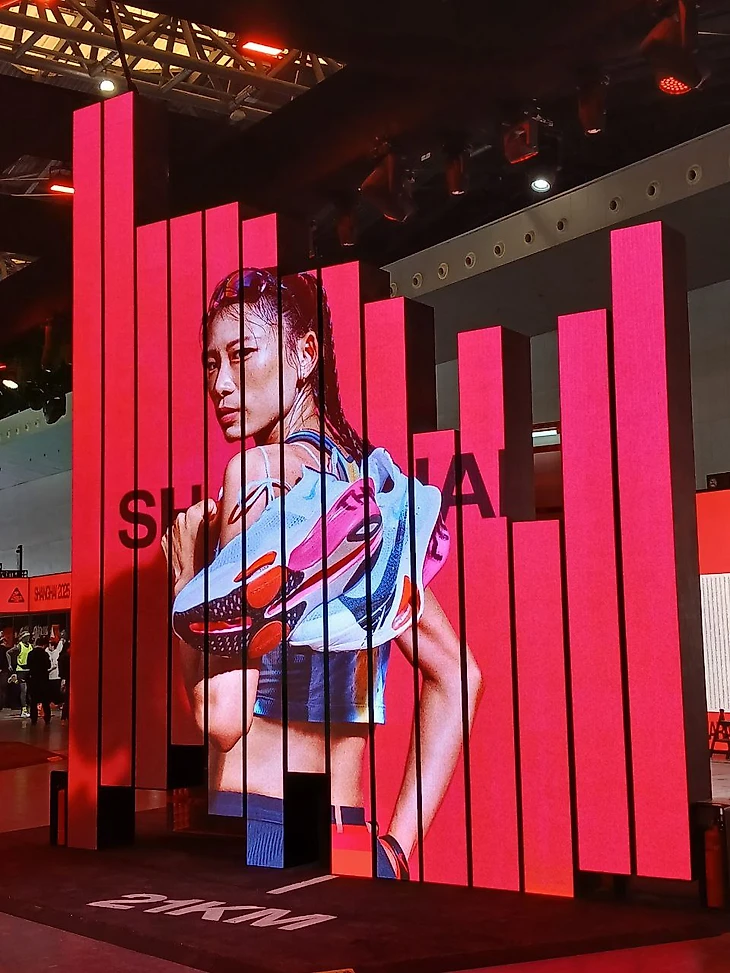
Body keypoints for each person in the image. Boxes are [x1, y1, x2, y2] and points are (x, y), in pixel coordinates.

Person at [165, 268, 482, 878]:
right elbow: (460, 677)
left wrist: (186, 578)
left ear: (306, 353)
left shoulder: (255, 475)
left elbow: (222, 715)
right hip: (349, 836)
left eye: (241, 355)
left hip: (258, 827)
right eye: (211, 363)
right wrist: (396, 851)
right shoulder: (370, 493)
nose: (221, 383)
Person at [27, 637, 51, 725]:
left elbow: (28, 665)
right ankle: (47, 718)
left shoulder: (30, 653)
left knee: (33, 701)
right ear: (44, 645)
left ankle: (34, 718)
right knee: (45, 700)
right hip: (43, 680)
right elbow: (48, 665)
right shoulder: (44, 654)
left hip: (33, 680)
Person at [14, 629, 32, 718]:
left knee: (30, 690)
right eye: (26, 637)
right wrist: (10, 665)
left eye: (29, 637)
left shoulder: (31, 646)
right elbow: (8, 653)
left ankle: (30, 709)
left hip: (29, 670)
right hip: (21, 670)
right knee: (23, 690)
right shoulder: (19, 646)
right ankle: (23, 710)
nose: (28, 638)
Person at [58, 638, 70, 724]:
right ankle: (65, 716)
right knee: (68, 699)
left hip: (65, 679)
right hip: (67, 679)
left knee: (66, 699)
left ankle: (64, 717)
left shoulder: (62, 657)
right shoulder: (66, 657)